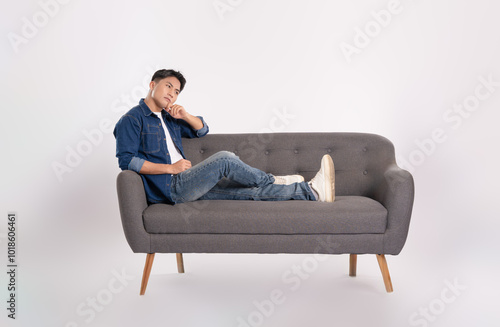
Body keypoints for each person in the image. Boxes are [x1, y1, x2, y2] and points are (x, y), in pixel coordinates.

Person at [113, 69, 335, 205]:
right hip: (171, 186)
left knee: (248, 193)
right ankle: (270, 178)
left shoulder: (169, 118)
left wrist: (186, 115)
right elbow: (127, 161)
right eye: (168, 86)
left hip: (188, 182)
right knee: (225, 159)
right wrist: (170, 168)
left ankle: (311, 191)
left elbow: (201, 130)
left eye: (177, 91)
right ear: (152, 85)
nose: (172, 93)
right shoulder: (132, 120)